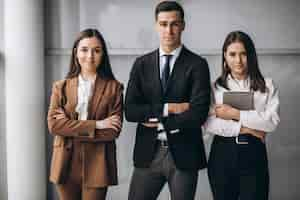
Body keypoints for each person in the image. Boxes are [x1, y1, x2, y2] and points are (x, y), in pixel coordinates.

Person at [125, 1, 211, 200]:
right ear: (156, 25)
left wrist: (152, 115)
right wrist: (168, 108)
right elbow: (130, 111)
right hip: (148, 155)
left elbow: (198, 113)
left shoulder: (197, 65)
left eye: (174, 24)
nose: (169, 30)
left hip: (184, 155)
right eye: (163, 24)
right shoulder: (141, 64)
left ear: (183, 25)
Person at [47, 28, 123, 200]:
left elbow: (112, 131)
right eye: (84, 50)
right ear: (76, 52)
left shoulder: (114, 88)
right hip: (65, 160)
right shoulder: (61, 87)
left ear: (103, 54)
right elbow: (54, 125)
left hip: (98, 162)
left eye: (96, 50)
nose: (90, 56)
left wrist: (69, 127)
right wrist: (96, 124)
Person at [203, 31, 280, 200]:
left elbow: (271, 122)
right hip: (222, 154)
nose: (238, 60)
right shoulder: (214, 88)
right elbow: (209, 124)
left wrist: (234, 113)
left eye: (243, 54)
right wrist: (250, 129)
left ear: (251, 55)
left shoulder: (267, 85)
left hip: (254, 154)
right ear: (225, 55)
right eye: (232, 54)